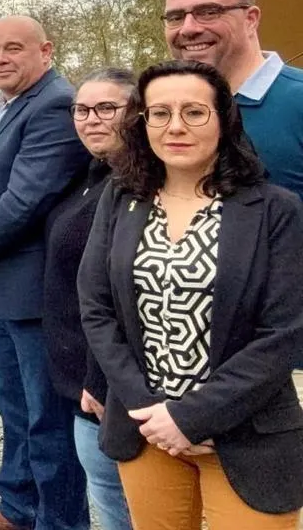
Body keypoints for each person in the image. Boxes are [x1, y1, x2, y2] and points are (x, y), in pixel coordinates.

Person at [79, 59, 303, 529]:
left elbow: (285, 332)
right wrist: (148, 408)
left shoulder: (275, 210)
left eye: (194, 112)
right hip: (147, 430)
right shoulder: (122, 198)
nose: (175, 126)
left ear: (224, 119)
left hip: (246, 435)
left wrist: (192, 417)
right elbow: (97, 308)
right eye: (160, 113)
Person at [0, 16, 91, 530]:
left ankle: (60, 522)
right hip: (8, 287)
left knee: (47, 419)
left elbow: (26, 197)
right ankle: (18, 509)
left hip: (39, 293)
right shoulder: (3, 105)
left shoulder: (55, 104)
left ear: (46, 51)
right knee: (13, 405)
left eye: (13, 48)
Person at [162, 0, 303, 405]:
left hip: (287, 370)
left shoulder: (297, 102)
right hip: (183, 366)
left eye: (208, 11)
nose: (188, 27)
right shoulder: (166, 117)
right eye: (175, 16)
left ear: (251, 17)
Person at [42, 69, 136, 530]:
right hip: (77, 374)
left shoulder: (136, 187)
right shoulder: (90, 173)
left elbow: (125, 295)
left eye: (106, 108)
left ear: (136, 114)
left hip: (106, 385)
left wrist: (101, 380)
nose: (91, 119)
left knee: (123, 506)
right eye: (81, 109)